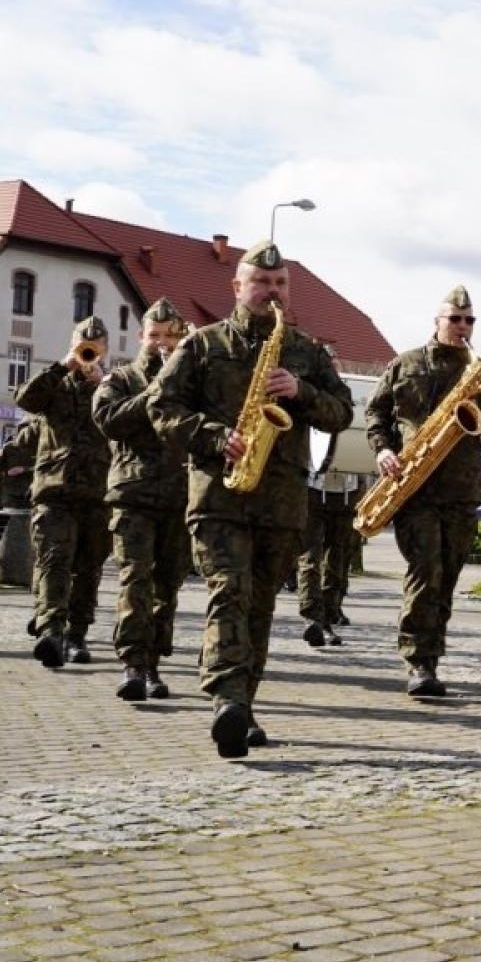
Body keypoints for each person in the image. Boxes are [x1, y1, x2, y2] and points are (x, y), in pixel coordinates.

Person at [149, 239, 353, 759]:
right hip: (220, 495)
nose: (271, 291)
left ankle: (244, 703)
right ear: (236, 287)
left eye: (280, 283)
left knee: (259, 605)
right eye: (261, 282)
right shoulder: (202, 346)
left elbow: (342, 413)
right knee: (229, 593)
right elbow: (162, 407)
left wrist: (302, 392)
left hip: (280, 500)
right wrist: (218, 437)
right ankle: (226, 699)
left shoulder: (305, 351)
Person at [366, 286, 481, 698]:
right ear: (437, 321)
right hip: (415, 487)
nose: (462, 327)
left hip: (461, 491)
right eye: (454, 319)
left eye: (469, 320)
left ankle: (431, 655)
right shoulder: (405, 364)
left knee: (447, 577)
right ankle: (418, 660)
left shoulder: (480, 373)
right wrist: (384, 449)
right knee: (426, 571)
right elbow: (376, 413)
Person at [92, 299, 190, 703]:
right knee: (135, 577)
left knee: (168, 584)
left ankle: (153, 663)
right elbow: (108, 421)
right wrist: (156, 390)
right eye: (154, 336)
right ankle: (132, 663)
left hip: (179, 495)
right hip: (132, 494)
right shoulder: (121, 378)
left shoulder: (191, 384)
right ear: (141, 337)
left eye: (170, 336)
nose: (161, 343)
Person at [17, 317, 113, 669]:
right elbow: (26, 399)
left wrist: (104, 384)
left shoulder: (112, 385)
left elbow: (131, 420)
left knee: (87, 568)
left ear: (105, 348)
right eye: (83, 344)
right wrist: (63, 366)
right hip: (54, 490)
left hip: (98, 492)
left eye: (95, 346)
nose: (88, 351)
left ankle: (77, 634)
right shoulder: (54, 383)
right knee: (54, 560)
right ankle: (51, 631)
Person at [298, 345, 361, 649]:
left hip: (346, 490)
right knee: (310, 558)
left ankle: (330, 612)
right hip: (312, 486)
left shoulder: (349, 397)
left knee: (338, 559)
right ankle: (313, 618)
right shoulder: (308, 397)